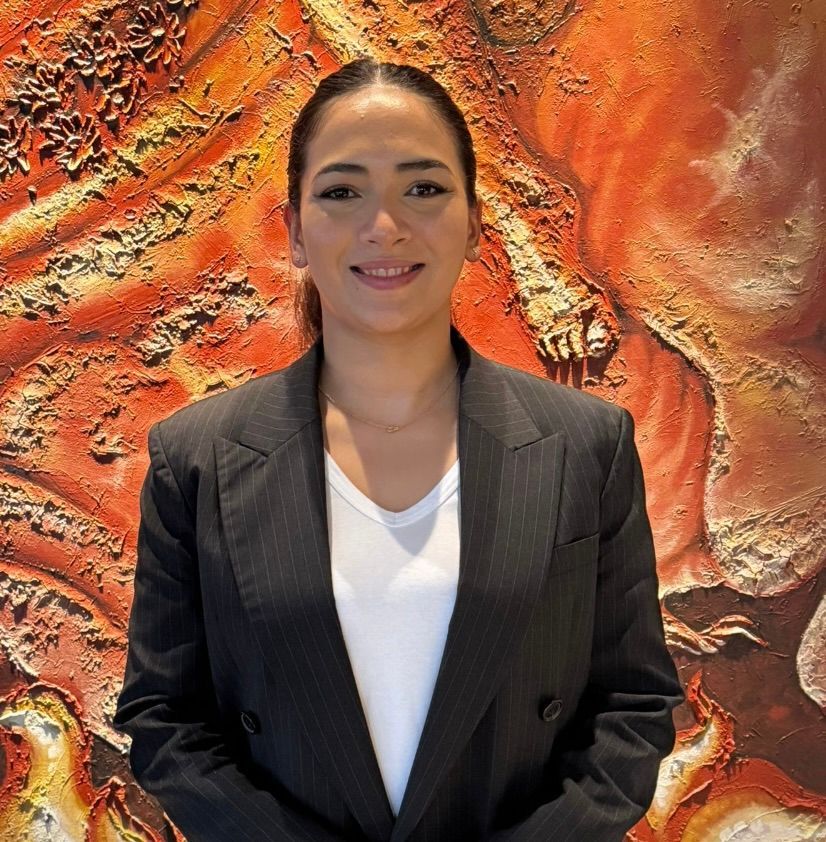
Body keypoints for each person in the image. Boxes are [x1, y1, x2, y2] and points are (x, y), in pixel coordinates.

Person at [113, 58, 685, 842]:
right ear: (295, 232)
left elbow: (632, 706)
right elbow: (165, 718)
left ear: (475, 223)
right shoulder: (197, 459)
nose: (384, 225)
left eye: (423, 187)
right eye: (342, 192)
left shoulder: (586, 447)